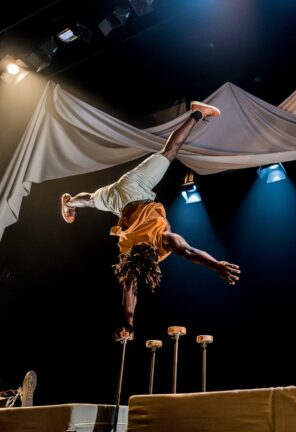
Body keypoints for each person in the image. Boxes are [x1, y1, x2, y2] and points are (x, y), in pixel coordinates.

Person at [60, 101, 241, 341]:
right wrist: (128, 323)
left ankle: (197, 113)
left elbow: (189, 252)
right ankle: (70, 202)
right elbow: (129, 292)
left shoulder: (162, 241)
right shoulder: (127, 252)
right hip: (117, 203)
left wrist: (216, 265)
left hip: (136, 189)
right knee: (92, 200)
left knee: (170, 152)